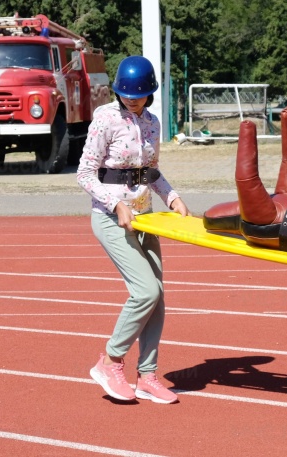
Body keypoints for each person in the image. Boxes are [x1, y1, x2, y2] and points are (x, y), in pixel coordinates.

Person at [77, 55, 190, 404]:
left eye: (138, 94)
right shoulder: (105, 119)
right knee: (145, 292)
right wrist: (116, 204)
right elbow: (84, 173)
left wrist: (172, 197)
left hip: (146, 218)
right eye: (126, 93)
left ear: (150, 92)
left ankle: (148, 376)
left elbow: (149, 172)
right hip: (112, 218)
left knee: (157, 297)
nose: (132, 99)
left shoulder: (153, 123)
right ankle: (109, 362)